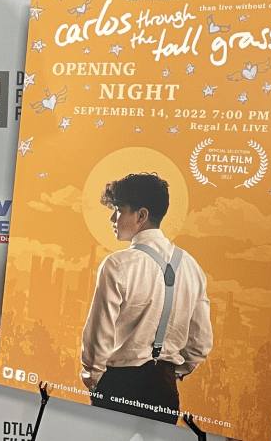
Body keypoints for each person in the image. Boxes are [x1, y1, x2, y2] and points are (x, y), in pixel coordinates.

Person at [81, 172, 212, 424]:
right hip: (165, 390)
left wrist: (93, 379)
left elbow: (99, 336)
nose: (112, 217)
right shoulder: (192, 266)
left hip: (118, 384)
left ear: (141, 215)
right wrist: (171, 373)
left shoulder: (117, 264)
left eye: (119, 210)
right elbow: (200, 343)